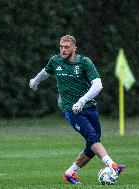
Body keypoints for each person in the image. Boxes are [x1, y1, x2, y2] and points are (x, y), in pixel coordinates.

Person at [29, 35, 125, 184]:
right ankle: (113, 165)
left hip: (89, 107)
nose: (63, 50)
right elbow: (45, 72)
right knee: (93, 138)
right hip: (71, 110)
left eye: (67, 47)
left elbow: (98, 85)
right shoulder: (55, 61)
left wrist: (82, 100)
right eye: (61, 46)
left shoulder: (84, 62)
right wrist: (34, 81)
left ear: (74, 48)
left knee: (92, 144)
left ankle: (70, 173)